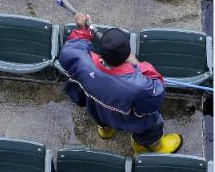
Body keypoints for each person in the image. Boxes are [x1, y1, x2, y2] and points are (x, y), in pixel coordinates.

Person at [58, 11, 182, 154]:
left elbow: (71, 49)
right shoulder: (138, 86)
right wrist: (138, 64)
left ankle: (106, 131)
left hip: (98, 109)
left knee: (99, 114)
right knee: (151, 123)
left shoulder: (82, 62)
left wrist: (82, 29)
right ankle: (147, 146)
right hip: (127, 118)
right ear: (127, 54)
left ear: (102, 52)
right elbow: (157, 92)